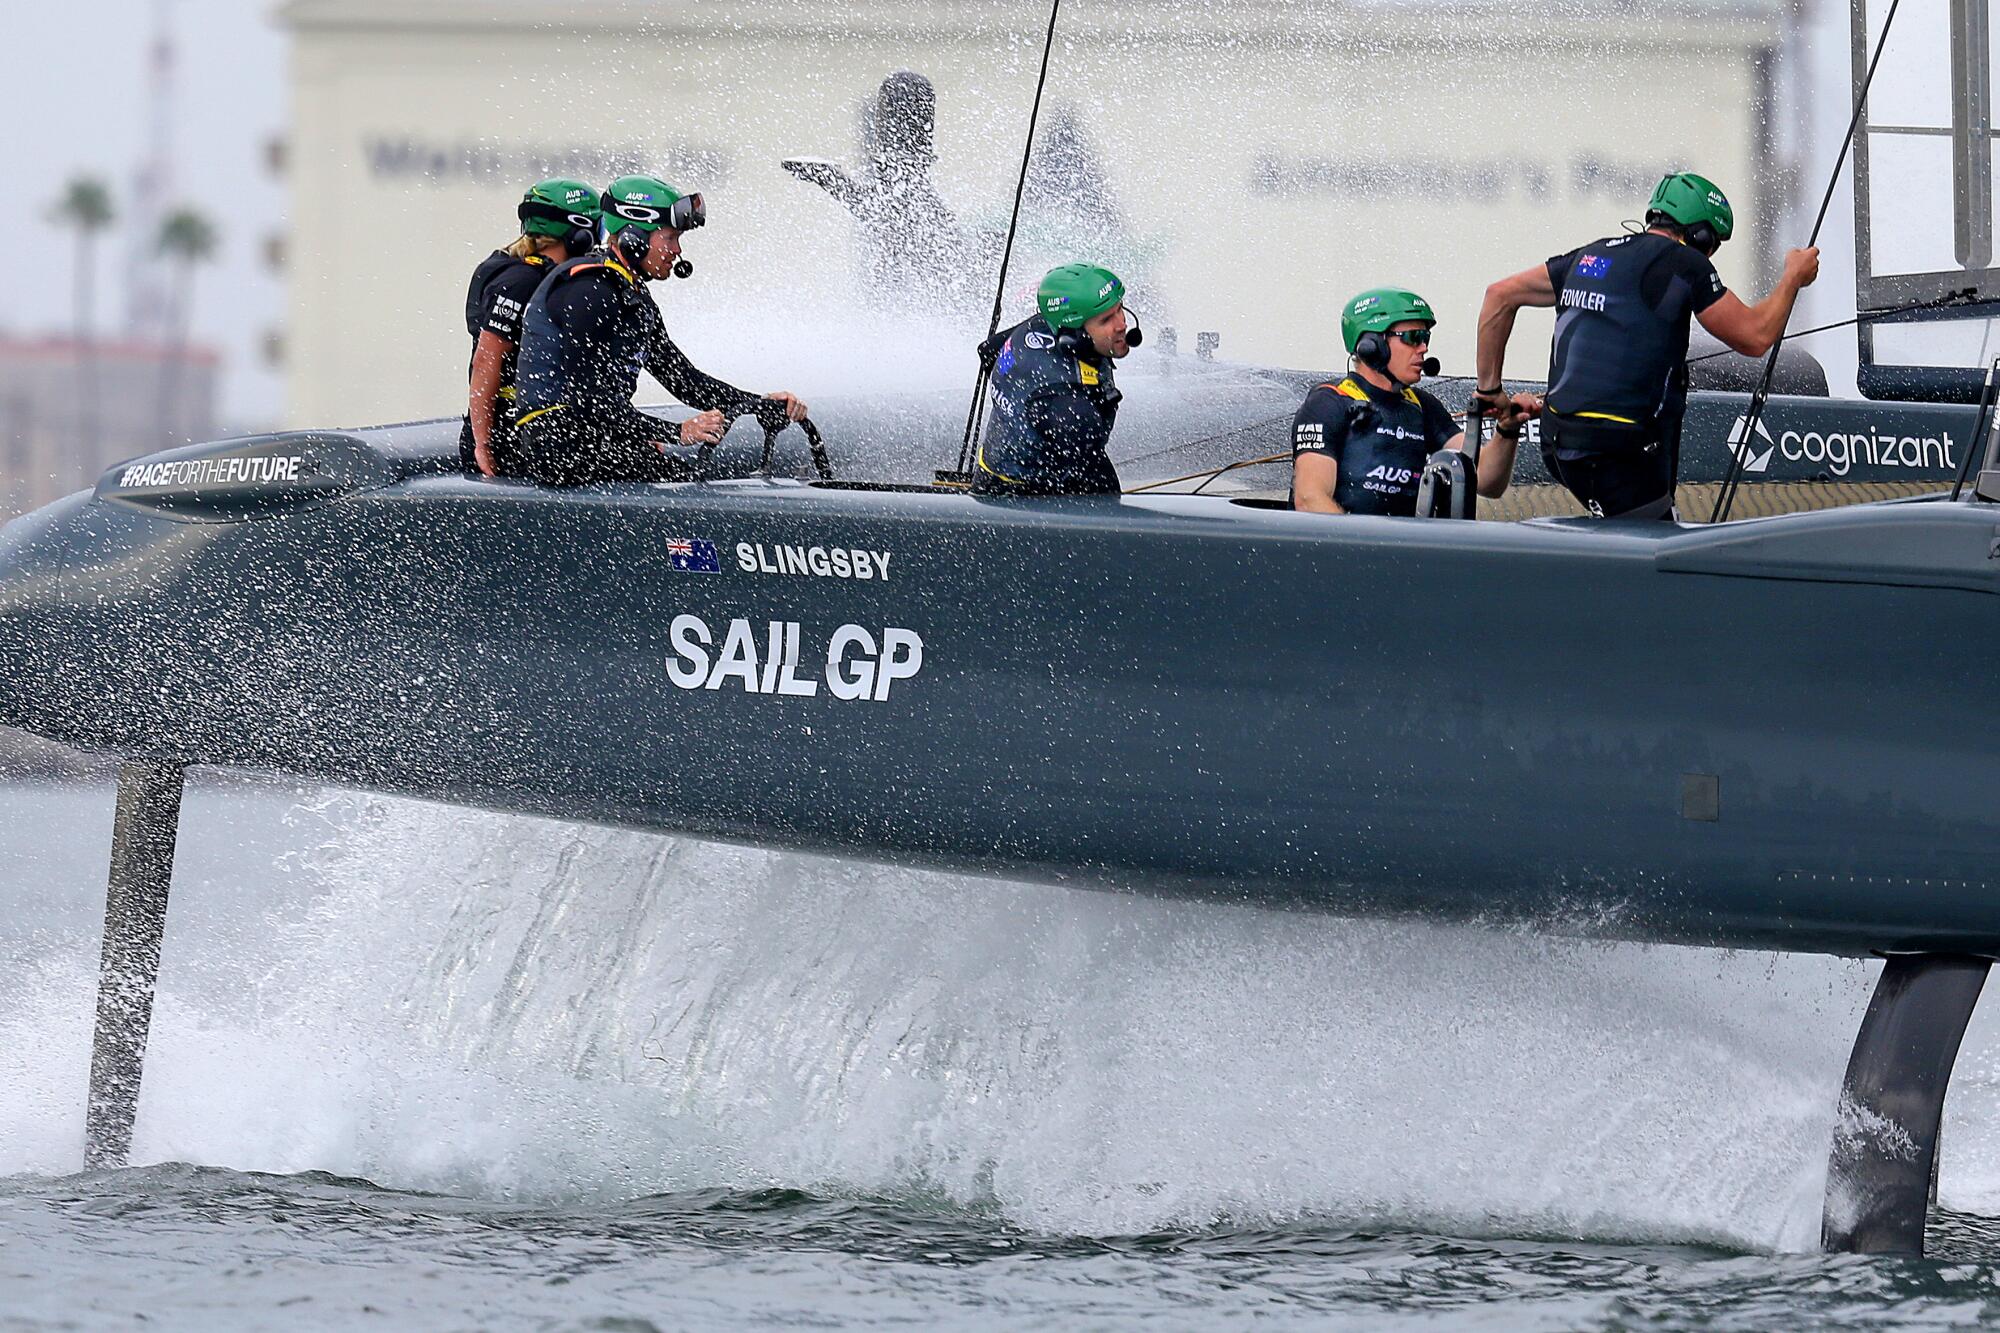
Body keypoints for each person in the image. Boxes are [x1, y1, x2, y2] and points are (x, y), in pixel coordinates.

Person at [1474, 171, 1820, 519]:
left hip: (1559, 443)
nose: (1710, 254)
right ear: (1700, 236)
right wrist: (1792, 277)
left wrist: (1490, 391)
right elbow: (1756, 336)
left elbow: (1499, 296)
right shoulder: (1686, 263)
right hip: (1620, 454)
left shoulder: (1589, 255)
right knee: (1657, 551)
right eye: (1713, 244)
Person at [512, 175, 809, 487]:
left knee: (698, 480)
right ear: (633, 237)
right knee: (691, 488)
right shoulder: (589, 290)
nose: (677, 250)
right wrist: (676, 433)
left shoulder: (632, 294)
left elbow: (683, 380)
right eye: (669, 238)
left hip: (596, 440)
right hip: (559, 448)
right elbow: (588, 401)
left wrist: (759, 403)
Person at [1292, 288, 1524, 515]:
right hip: (1347, 550)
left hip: (1403, 549)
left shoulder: (1423, 407)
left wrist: (1508, 429)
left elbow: (1486, 481)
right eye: (1413, 338)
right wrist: (1365, 550)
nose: (1423, 349)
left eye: (1426, 338)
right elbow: (1310, 499)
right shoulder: (1328, 402)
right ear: (1372, 345)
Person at [460, 179, 601, 477]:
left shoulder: (557, 277)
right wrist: (482, 443)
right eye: (597, 227)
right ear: (579, 231)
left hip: (538, 425)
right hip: (510, 432)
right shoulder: (522, 282)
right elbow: (486, 360)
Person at [971, 262, 1136, 497]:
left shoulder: (1042, 325)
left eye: (1120, 309)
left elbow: (988, 349)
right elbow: (1102, 487)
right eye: (1106, 320)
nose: (1122, 325)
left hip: (995, 469)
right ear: (1074, 332)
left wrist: (1017, 411)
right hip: (1018, 498)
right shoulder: (1068, 407)